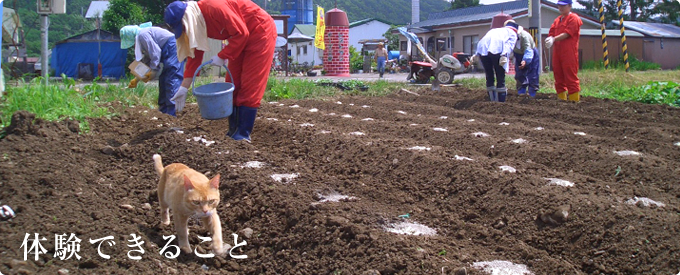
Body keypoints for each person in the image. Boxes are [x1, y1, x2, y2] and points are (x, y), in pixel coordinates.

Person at [164, 0, 277, 142]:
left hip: (259, 31)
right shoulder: (197, 23)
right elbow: (195, 56)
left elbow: (242, 33)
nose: (185, 31)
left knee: (250, 83)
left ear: (187, 18)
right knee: (232, 83)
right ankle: (233, 131)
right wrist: (183, 88)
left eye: (183, 28)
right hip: (239, 38)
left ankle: (242, 134)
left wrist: (222, 56)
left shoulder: (213, 7)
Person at [120, 23, 183, 116]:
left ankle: (173, 112)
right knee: (163, 79)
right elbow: (148, 59)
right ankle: (163, 112)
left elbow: (155, 53)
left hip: (172, 47)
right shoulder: (143, 35)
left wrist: (154, 70)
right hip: (168, 48)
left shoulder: (142, 35)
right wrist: (137, 79)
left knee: (171, 78)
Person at [470, 21, 519, 102]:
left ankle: (491, 99)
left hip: (483, 51)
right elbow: (509, 45)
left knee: (489, 76)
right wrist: (504, 55)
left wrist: (476, 54)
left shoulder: (493, 30)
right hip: (497, 51)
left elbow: (482, 41)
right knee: (500, 77)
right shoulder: (513, 33)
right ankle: (500, 102)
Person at [545, 0, 583, 102]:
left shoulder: (574, 18)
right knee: (558, 76)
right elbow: (551, 32)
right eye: (559, 6)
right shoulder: (557, 20)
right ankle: (562, 100)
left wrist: (553, 39)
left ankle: (574, 100)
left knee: (570, 76)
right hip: (557, 52)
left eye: (563, 6)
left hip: (569, 52)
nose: (560, 8)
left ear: (570, 6)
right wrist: (550, 39)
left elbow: (567, 33)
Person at [505, 20, 540, 97]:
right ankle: (521, 91)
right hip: (518, 54)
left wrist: (525, 60)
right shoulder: (508, 38)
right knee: (519, 73)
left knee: (533, 73)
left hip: (531, 53)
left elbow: (528, 49)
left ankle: (532, 93)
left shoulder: (523, 36)